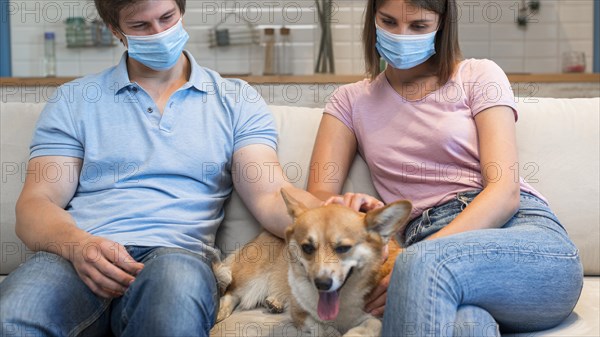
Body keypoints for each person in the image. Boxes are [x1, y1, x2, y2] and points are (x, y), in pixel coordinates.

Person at [0, 0, 319, 336]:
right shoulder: (74, 100)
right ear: (115, 31)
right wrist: (78, 246)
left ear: (181, 12)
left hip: (176, 258)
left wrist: (336, 214)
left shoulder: (235, 100)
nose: (159, 33)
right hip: (78, 255)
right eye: (140, 26)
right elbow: (35, 205)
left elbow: (270, 196)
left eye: (167, 18)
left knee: (171, 315)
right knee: (13, 316)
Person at [307, 0, 583, 336]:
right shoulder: (349, 101)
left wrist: (419, 259)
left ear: (442, 25)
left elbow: (505, 191)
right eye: (389, 22)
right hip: (430, 248)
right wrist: (345, 209)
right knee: (467, 326)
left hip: (523, 237)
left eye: (419, 26)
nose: (401, 35)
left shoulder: (479, 75)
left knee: (420, 265)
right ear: (372, 21)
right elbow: (318, 195)